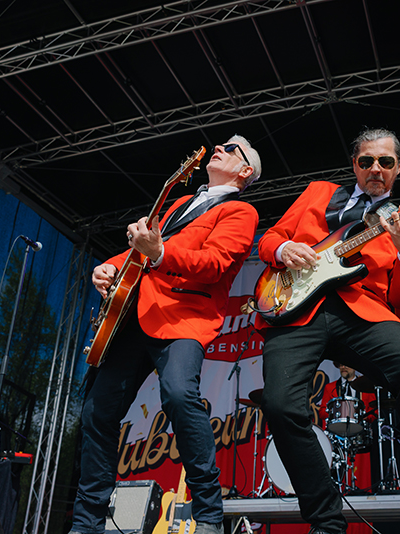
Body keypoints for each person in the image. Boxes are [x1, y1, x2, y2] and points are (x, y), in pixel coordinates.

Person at [257, 128, 400, 534]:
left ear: (398, 167)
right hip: (295, 308)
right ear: (354, 165)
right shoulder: (318, 192)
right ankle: (326, 522)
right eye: (367, 161)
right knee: (280, 405)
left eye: (385, 162)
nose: (376, 168)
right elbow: (269, 239)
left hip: (362, 310)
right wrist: (285, 250)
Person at [68, 136, 261, 534]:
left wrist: (158, 253)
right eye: (221, 144)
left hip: (183, 318)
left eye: (231, 148)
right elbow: (141, 251)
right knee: (96, 414)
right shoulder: (180, 203)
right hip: (133, 317)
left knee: (178, 395)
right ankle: (87, 524)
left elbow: (214, 263)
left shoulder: (241, 211)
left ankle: (209, 514)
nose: (220, 148)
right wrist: (109, 266)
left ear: (245, 171)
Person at [318, 363, 375, 498]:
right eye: (341, 365)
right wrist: (333, 413)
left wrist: (363, 416)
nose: (343, 367)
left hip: (359, 437)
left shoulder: (366, 387)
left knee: (362, 476)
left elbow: (374, 412)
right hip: (337, 439)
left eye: (347, 364)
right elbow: (322, 412)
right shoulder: (330, 387)